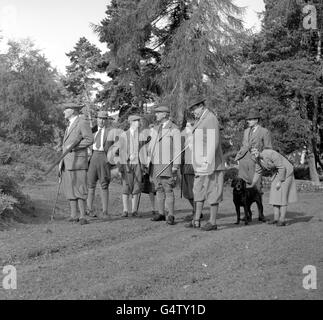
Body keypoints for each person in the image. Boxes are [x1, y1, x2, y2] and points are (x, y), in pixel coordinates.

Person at [185, 96, 225, 231]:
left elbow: (214, 142)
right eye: (192, 110)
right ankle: (196, 220)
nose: (193, 112)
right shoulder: (199, 120)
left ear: (201, 106)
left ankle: (212, 222)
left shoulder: (210, 118)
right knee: (198, 191)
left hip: (210, 163)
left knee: (212, 191)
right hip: (200, 163)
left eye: (194, 109)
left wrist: (207, 161)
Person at [59, 102, 94, 225]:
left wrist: (75, 147)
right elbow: (67, 144)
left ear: (72, 111)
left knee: (80, 188)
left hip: (78, 161)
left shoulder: (82, 122)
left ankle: (83, 216)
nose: (63, 112)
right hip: (67, 162)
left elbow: (89, 139)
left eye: (66, 109)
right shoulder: (69, 125)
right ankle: (73, 215)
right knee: (70, 189)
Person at [234, 109, 272, 222]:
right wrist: (238, 158)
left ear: (256, 120)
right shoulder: (245, 131)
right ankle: (248, 214)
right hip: (243, 162)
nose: (248, 121)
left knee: (257, 189)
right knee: (244, 190)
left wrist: (262, 157)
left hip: (256, 162)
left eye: (250, 119)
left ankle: (261, 214)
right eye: (248, 120)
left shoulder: (264, 131)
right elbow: (243, 146)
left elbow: (268, 148)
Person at [148, 104, 181, 225]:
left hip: (168, 164)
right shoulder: (156, 128)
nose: (156, 114)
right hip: (155, 163)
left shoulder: (174, 128)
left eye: (158, 112)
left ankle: (171, 215)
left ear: (165, 114)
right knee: (158, 188)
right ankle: (161, 213)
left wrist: (176, 166)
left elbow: (178, 149)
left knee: (168, 188)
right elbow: (151, 146)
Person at [250, 147, 298, 226]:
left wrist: (280, 181)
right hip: (277, 172)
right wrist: (252, 183)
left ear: (258, 150)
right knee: (274, 195)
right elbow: (257, 172)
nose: (254, 153)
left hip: (286, 171)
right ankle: (276, 219)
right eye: (252, 152)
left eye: (255, 150)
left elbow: (282, 168)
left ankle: (282, 220)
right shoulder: (257, 160)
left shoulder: (270, 153)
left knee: (282, 195)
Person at [86, 111, 114, 219]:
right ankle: (89, 209)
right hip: (93, 157)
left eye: (104, 119)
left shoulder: (110, 132)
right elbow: (86, 142)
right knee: (90, 184)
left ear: (106, 120)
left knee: (104, 184)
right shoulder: (91, 131)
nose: (101, 121)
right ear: (96, 119)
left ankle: (105, 211)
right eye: (99, 118)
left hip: (104, 157)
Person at [118, 114, 143, 217]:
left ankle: (134, 210)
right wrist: (122, 165)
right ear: (131, 122)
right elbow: (121, 151)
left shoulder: (141, 135)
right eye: (136, 121)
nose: (138, 123)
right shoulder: (124, 135)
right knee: (126, 185)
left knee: (136, 185)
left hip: (138, 163)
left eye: (138, 121)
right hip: (127, 164)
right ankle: (125, 210)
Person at [180, 112, 197, 222]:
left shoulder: (198, 131)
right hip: (185, 163)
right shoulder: (183, 133)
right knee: (187, 191)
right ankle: (195, 210)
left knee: (192, 190)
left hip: (193, 164)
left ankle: (196, 212)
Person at [139, 116, 157, 216]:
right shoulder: (141, 135)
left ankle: (162, 207)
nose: (141, 125)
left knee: (157, 185)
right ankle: (153, 207)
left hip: (154, 161)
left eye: (142, 123)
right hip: (146, 162)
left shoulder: (152, 132)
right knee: (150, 187)